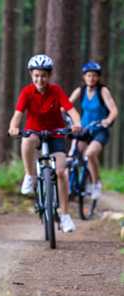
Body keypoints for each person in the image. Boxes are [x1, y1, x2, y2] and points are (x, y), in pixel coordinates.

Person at [8, 54, 81, 233]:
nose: (40, 79)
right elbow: (17, 115)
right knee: (27, 140)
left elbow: (71, 110)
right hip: (34, 132)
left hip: (56, 133)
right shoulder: (26, 92)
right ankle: (30, 176)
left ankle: (65, 215)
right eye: (36, 75)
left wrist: (77, 123)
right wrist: (13, 127)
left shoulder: (56, 90)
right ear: (31, 75)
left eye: (43, 75)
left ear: (49, 76)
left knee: (61, 172)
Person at [68, 61, 119, 200]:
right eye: (89, 75)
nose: (91, 78)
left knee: (90, 154)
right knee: (72, 155)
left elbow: (114, 110)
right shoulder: (81, 90)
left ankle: (96, 183)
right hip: (83, 130)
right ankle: (74, 184)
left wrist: (108, 120)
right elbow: (67, 104)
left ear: (98, 77)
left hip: (99, 130)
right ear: (84, 77)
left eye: (94, 76)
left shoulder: (103, 91)